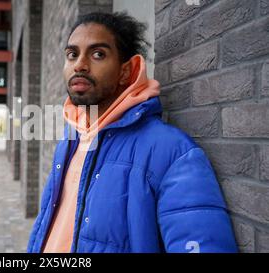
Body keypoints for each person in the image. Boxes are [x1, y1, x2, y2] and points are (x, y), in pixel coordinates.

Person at [27, 12, 237, 253]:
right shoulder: (70, 138)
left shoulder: (172, 152)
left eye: (98, 54)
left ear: (127, 70)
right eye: (72, 54)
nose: (80, 64)